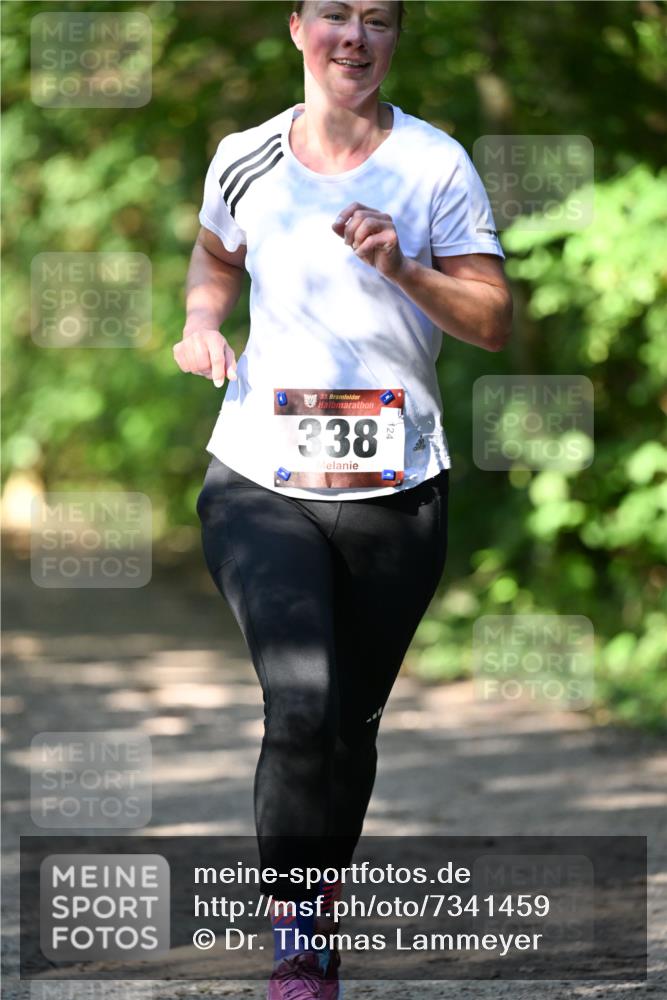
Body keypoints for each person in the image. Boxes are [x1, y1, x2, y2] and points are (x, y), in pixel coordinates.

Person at [174, 1, 512, 996]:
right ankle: (297, 944)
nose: (353, 35)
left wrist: (403, 266)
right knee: (300, 701)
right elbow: (214, 256)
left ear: (396, 37)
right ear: (296, 27)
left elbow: (491, 318)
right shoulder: (243, 155)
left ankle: (316, 908)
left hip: (396, 487)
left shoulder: (436, 165)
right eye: (334, 13)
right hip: (258, 476)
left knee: (350, 721)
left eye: (377, 18)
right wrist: (201, 324)